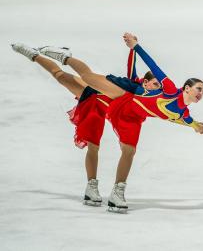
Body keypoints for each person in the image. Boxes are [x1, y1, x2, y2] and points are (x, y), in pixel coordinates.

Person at [37, 33, 203, 212]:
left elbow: (183, 120)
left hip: (131, 118)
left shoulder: (183, 113)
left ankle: (117, 193)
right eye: (199, 89)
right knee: (87, 78)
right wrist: (135, 47)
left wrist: (196, 126)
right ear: (187, 88)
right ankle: (64, 57)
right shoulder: (171, 90)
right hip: (124, 98)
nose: (201, 93)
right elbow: (153, 65)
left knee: (129, 152)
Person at [10, 42, 161, 207]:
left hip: (115, 113)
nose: (157, 88)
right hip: (94, 96)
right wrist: (133, 48)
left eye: (159, 86)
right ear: (145, 82)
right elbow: (131, 67)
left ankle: (106, 191)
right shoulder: (134, 87)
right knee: (60, 75)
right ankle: (35, 55)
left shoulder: (152, 101)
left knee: (117, 149)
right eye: (155, 84)